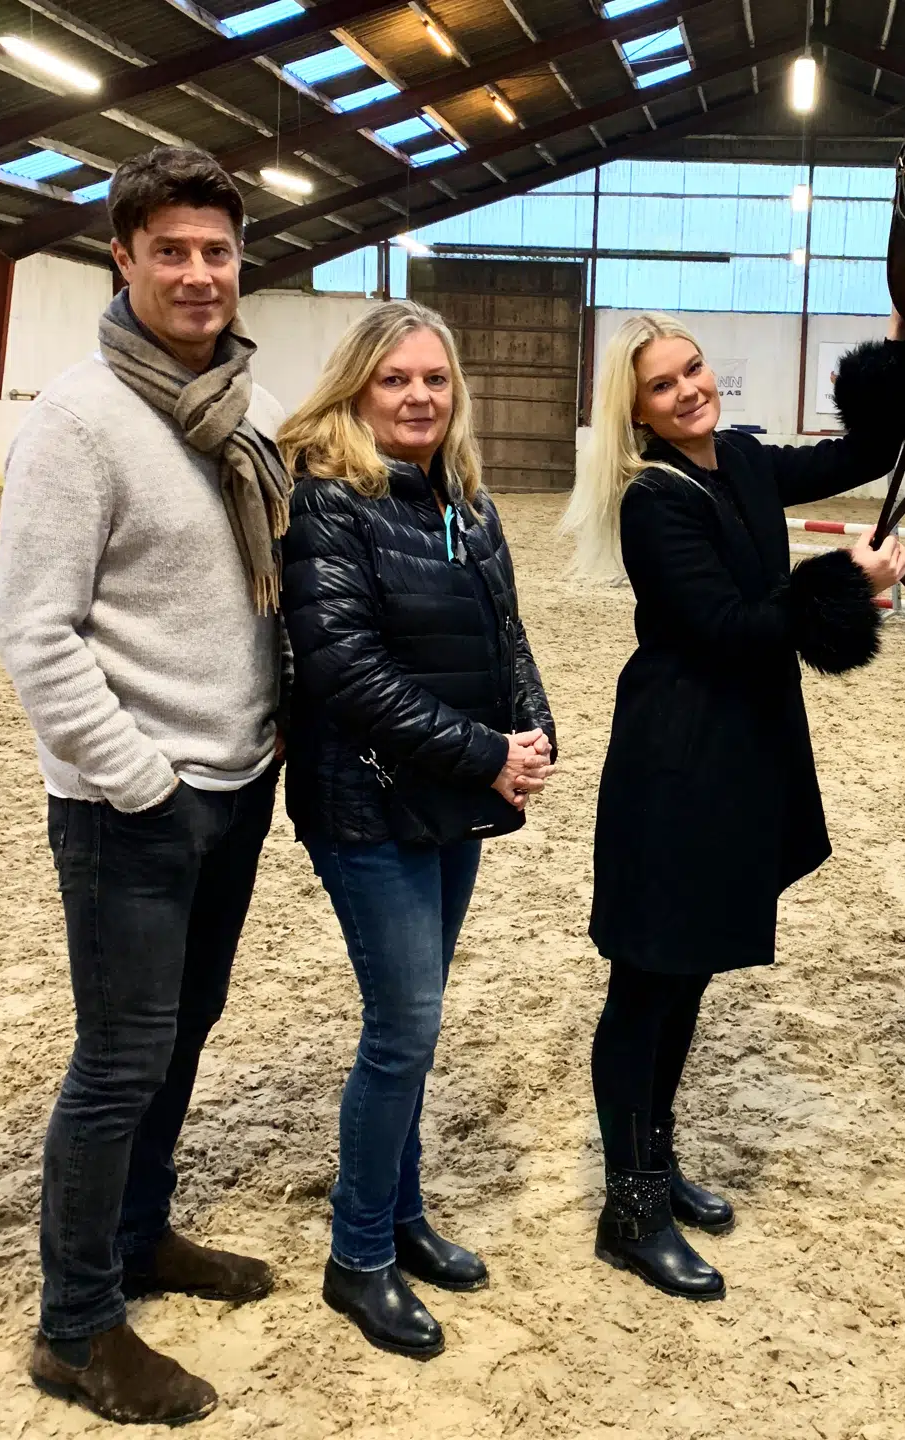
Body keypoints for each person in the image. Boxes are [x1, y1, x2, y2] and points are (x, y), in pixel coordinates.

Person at [0, 147, 289, 1425]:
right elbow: (33, 631)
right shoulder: (78, 421)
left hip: (239, 780)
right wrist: (141, 783)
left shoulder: (243, 408)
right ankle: (75, 1328)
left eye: (216, 250)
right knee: (118, 1060)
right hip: (135, 805)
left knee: (182, 1031)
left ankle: (138, 1232)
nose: (198, 273)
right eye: (170, 250)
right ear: (124, 259)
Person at [563, 310, 905, 1300]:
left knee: (687, 979)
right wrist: (849, 579)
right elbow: (727, 628)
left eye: (693, 369)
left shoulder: (747, 460)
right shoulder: (653, 500)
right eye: (663, 385)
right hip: (676, 761)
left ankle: (655, 1162)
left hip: (735, 758)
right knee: (646, 987)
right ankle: (630, 1209)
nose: (689, 389)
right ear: (636, 411)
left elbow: (865, 453)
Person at [278, 300, 556, 1361]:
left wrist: (533, 730)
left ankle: (400, 1218)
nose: (419, 397)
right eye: (396, 379)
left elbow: (507, 634)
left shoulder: (466, 501)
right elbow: (345, 670)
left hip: (448, 796)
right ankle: (357, 1257)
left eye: (435, 379)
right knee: (403, 1026)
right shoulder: (328, 502)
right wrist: (487, 753)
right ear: (358, 387)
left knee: (415, 1029)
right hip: (366, 803)